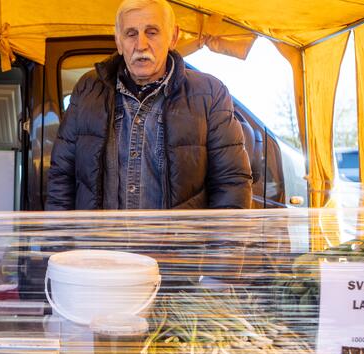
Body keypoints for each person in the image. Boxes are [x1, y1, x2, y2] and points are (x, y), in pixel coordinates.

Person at [45, 0, 252, 211]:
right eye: (131, 33)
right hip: (98, 244)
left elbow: (231, 184)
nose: (141, 44)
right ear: (118, 41)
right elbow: (62, 177)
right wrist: (57, 243)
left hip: (179, 245)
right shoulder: (88, 89)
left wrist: (224, 245)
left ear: (173, 37)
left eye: (152, 32)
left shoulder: (209, 94)